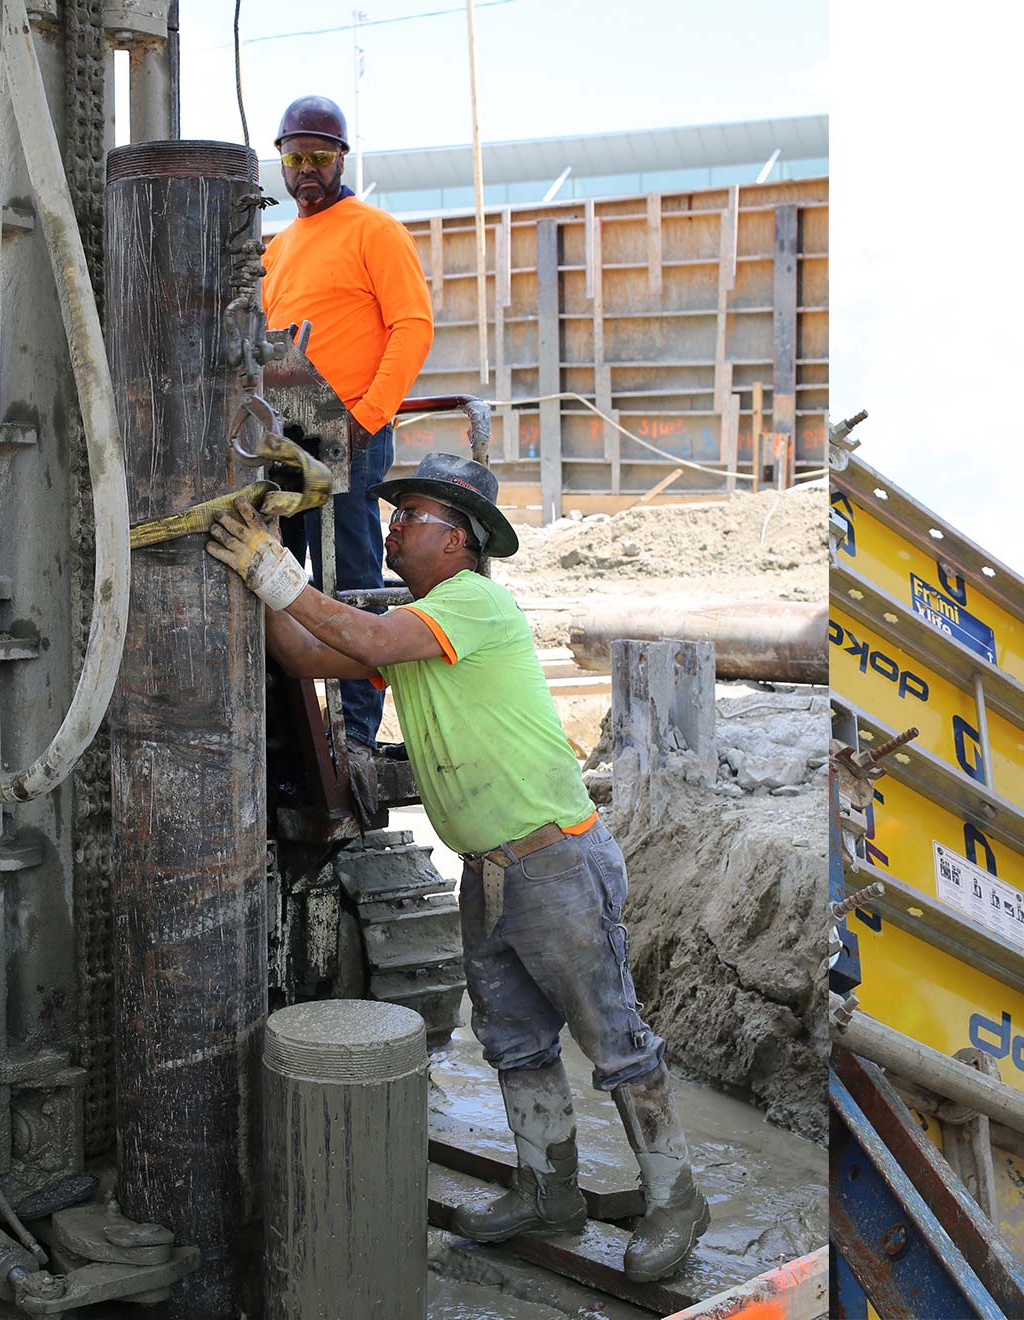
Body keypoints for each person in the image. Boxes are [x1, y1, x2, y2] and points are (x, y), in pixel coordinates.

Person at [203, 453, 710, 1282]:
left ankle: (676, 1198)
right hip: (492, 869)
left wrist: (271, 563)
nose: (393, 529)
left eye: (410, 519)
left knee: (612, 1038)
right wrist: (247, 587)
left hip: (552, 859)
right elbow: (306, 655)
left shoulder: (470, 605)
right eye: (395, 515)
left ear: (460, 542)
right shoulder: (420, 627)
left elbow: (356, 633)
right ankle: (550, 1192)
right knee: (513, 1040)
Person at [261, 94, 436, 749]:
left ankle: (356, 730)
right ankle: (294, 730)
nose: (308, 169)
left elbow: (412, 326)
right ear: (281, 161)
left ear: (341, 160)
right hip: (289, 433)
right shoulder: (279, 249)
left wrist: (367, 416)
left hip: (351, 433)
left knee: (351, 581)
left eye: (321, 157)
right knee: (280, 576)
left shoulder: (373, 230)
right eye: (296, 156)